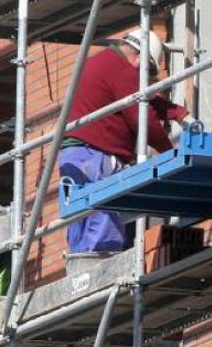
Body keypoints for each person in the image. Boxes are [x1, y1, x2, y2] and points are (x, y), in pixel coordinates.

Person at [59, 26, 196, 256]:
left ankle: (80, 270)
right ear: (138, 55)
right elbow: (142, 117)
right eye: (147, 70)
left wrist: (178, 113)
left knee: (81, 218)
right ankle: (99, 272)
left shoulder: (104, 63)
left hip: (75, 155)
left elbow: (144, 102)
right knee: (105, 218)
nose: (143, 77)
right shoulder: (121, 69)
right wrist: (168, 152)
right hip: (97, 155)